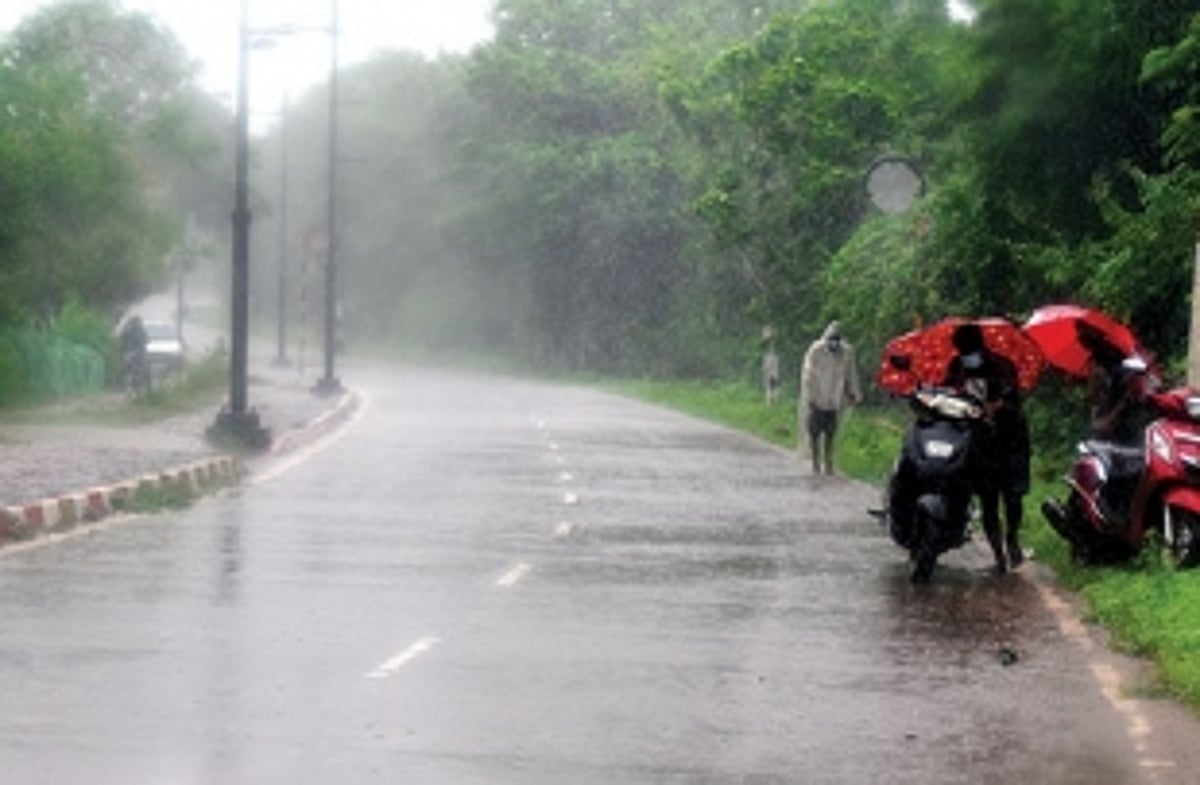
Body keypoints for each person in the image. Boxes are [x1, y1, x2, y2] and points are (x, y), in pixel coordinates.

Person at [943, 322, 1030, 573]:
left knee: (1013, 495)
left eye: (968, 348)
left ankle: (1012, 538)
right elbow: (947, 394)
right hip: (978, 442)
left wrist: (996, 407)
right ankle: (999, 555)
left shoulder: (1003, 366)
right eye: (961, 349)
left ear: (980, 346)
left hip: (1009, 438)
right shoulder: (956, 367)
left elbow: (1012, 396)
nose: (965, 354)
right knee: (988, 499)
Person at [799, 321, 861, 475]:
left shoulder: (846, 352)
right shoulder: (816, 350)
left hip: (834, 398)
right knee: (814, 432)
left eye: (837, 339)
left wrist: (854, 392)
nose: (834, 343)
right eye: (831, 339)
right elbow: (808, 375)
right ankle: (815, 461)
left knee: (830, 433)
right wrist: (810, 397)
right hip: (817, 397)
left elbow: (851, 374)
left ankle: (828, 462)